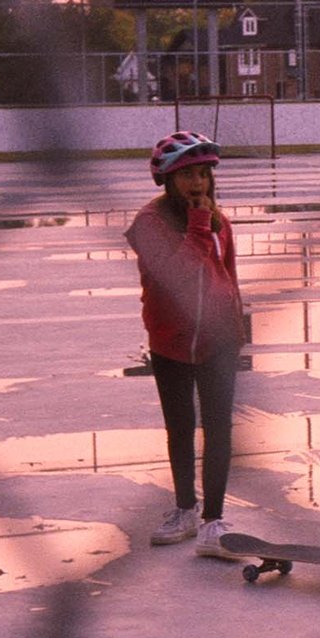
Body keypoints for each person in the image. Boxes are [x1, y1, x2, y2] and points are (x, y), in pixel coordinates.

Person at [128, 130, 248, 550]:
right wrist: (198, 225)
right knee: (180, 427)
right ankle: (184, 508)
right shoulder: (148, 224)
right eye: (187, 176)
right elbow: (177, 274)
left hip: (218, 340)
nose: (198, 184)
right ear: (167, 180)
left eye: (203, 174)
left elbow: (228, 277)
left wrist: (238, 326)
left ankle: (214, 518)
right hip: (172, 340)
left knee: (219, 429)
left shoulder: (219, 221)